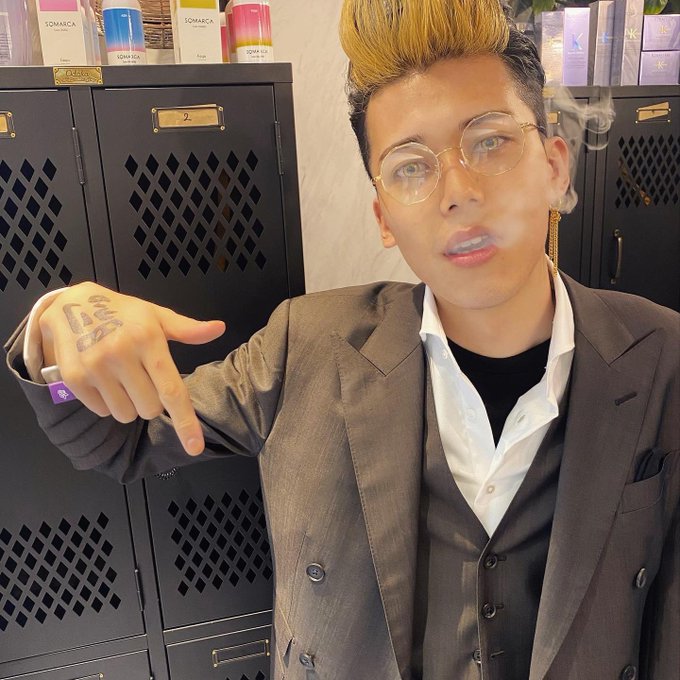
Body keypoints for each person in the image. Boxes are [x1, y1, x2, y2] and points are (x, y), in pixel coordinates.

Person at [5, 1, 678, 678]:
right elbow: (115, 441)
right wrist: (56, 332)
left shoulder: (661, 357)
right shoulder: (307, 345)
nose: (458, 191)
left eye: (490, 142)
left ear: (556, 166)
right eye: (411, 166)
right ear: (384, 217)